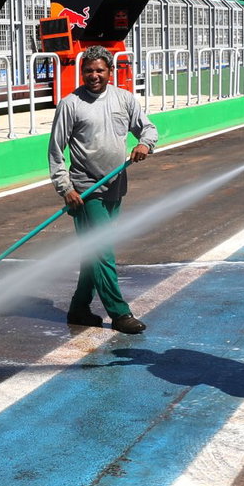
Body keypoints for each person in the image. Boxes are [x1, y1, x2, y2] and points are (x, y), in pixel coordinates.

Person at [48, 46, 158, 334]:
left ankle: (79, 308)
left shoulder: (124, 99)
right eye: (88, 70)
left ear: (110, 71)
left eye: (99, 70)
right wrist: (65, 187)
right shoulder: (70, 104)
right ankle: (119, 314)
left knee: (93, 252)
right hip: (85, 191)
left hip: (115, 187)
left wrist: (144, 144)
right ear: (81, 72)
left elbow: (148, 128)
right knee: (102, 251)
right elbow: (56, 151)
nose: (94, 75)